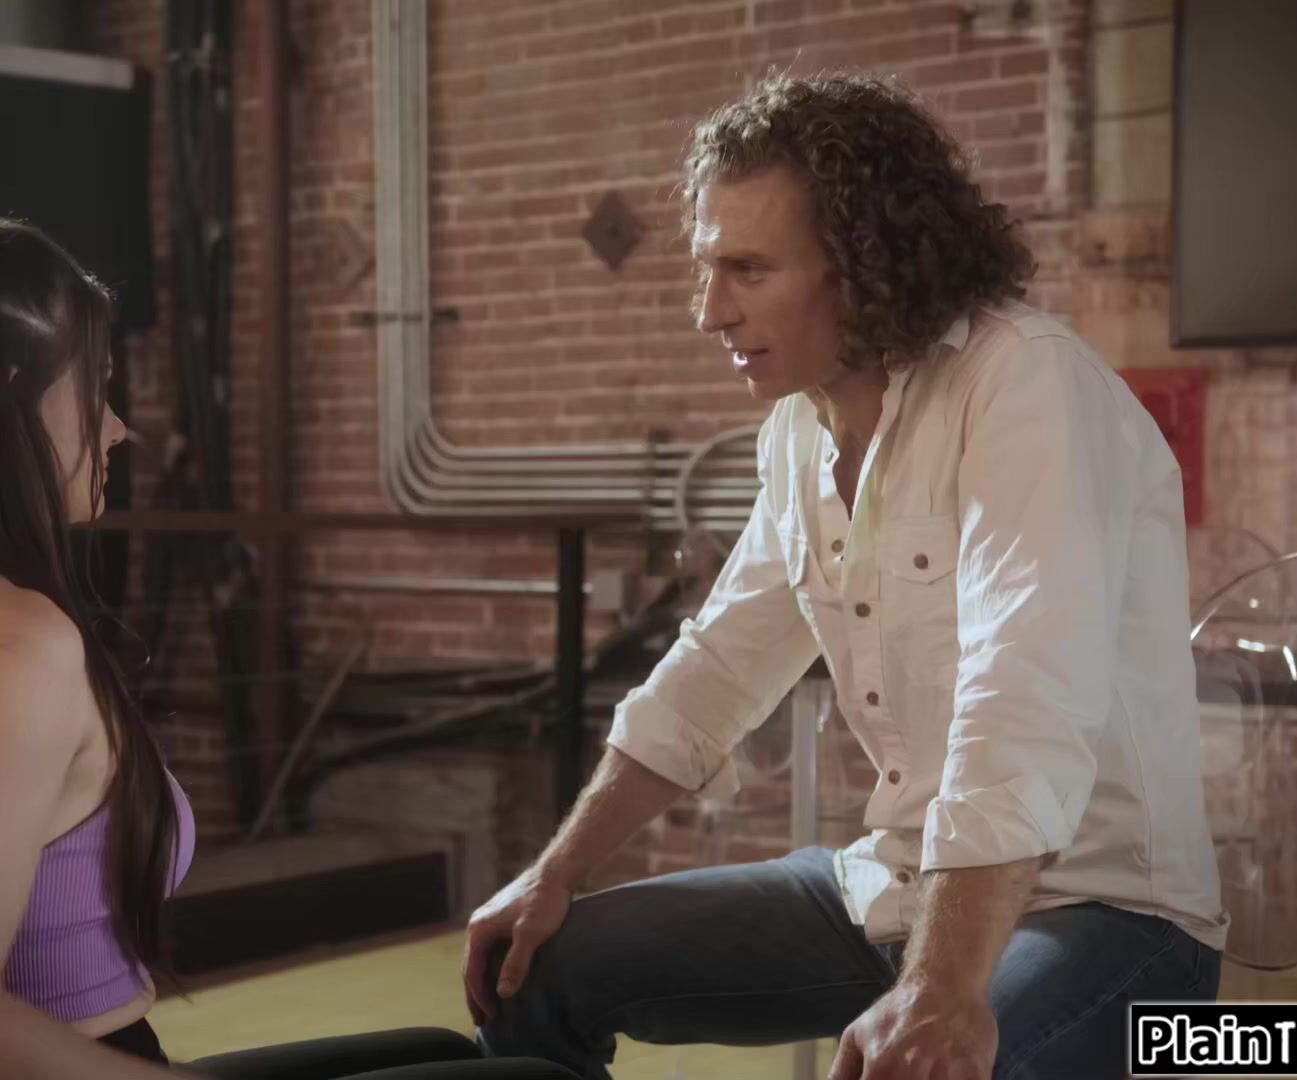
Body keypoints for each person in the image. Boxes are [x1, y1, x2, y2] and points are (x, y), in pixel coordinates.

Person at [463, 73, 1228, 1080]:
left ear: (867, 264)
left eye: (748, 269)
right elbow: (716, 670)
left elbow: (1021, 702)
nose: (710, 312)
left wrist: (940, 990)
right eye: (707, 269)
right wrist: (554, 870)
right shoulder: (796, 433)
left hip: (1108, 912)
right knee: (533, 970)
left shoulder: (1025, 383)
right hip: (892, 888)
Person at [0, 191, 570, 1080]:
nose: (118, 427)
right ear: (11, 400)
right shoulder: (12, 647)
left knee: (438, 1051)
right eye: (97, 390)